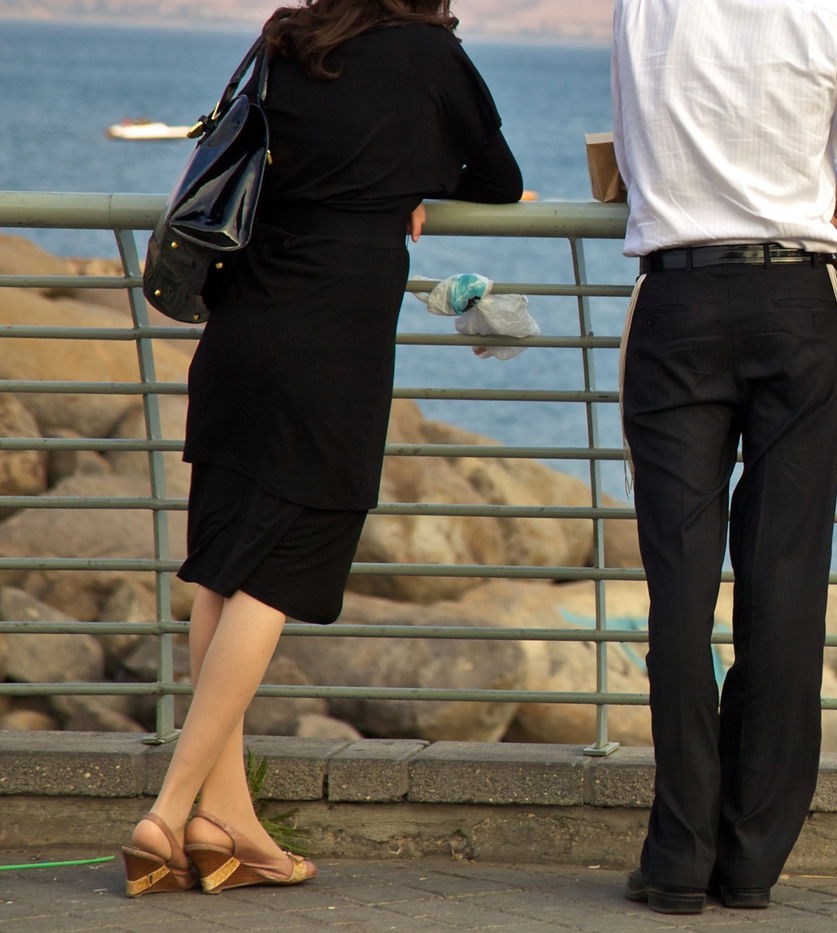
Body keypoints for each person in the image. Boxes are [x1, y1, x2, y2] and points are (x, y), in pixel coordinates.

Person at [120, 0, 523, 897]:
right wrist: (417, 184)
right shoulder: (428, 55)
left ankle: (233, 829)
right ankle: (172, 804)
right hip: (331, 347)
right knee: (277, 573)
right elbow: (499, 177)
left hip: (238, 332)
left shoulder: (287, 38)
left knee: (221, 568)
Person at [611, 0, 837, 915]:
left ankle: (676, 855)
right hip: (795, 304)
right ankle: (749, 858)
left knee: (679, 585)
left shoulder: (643, 7)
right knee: (783, 581)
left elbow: (633, 151)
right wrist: (817, 184)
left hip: (677, 303)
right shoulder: (835, 14)